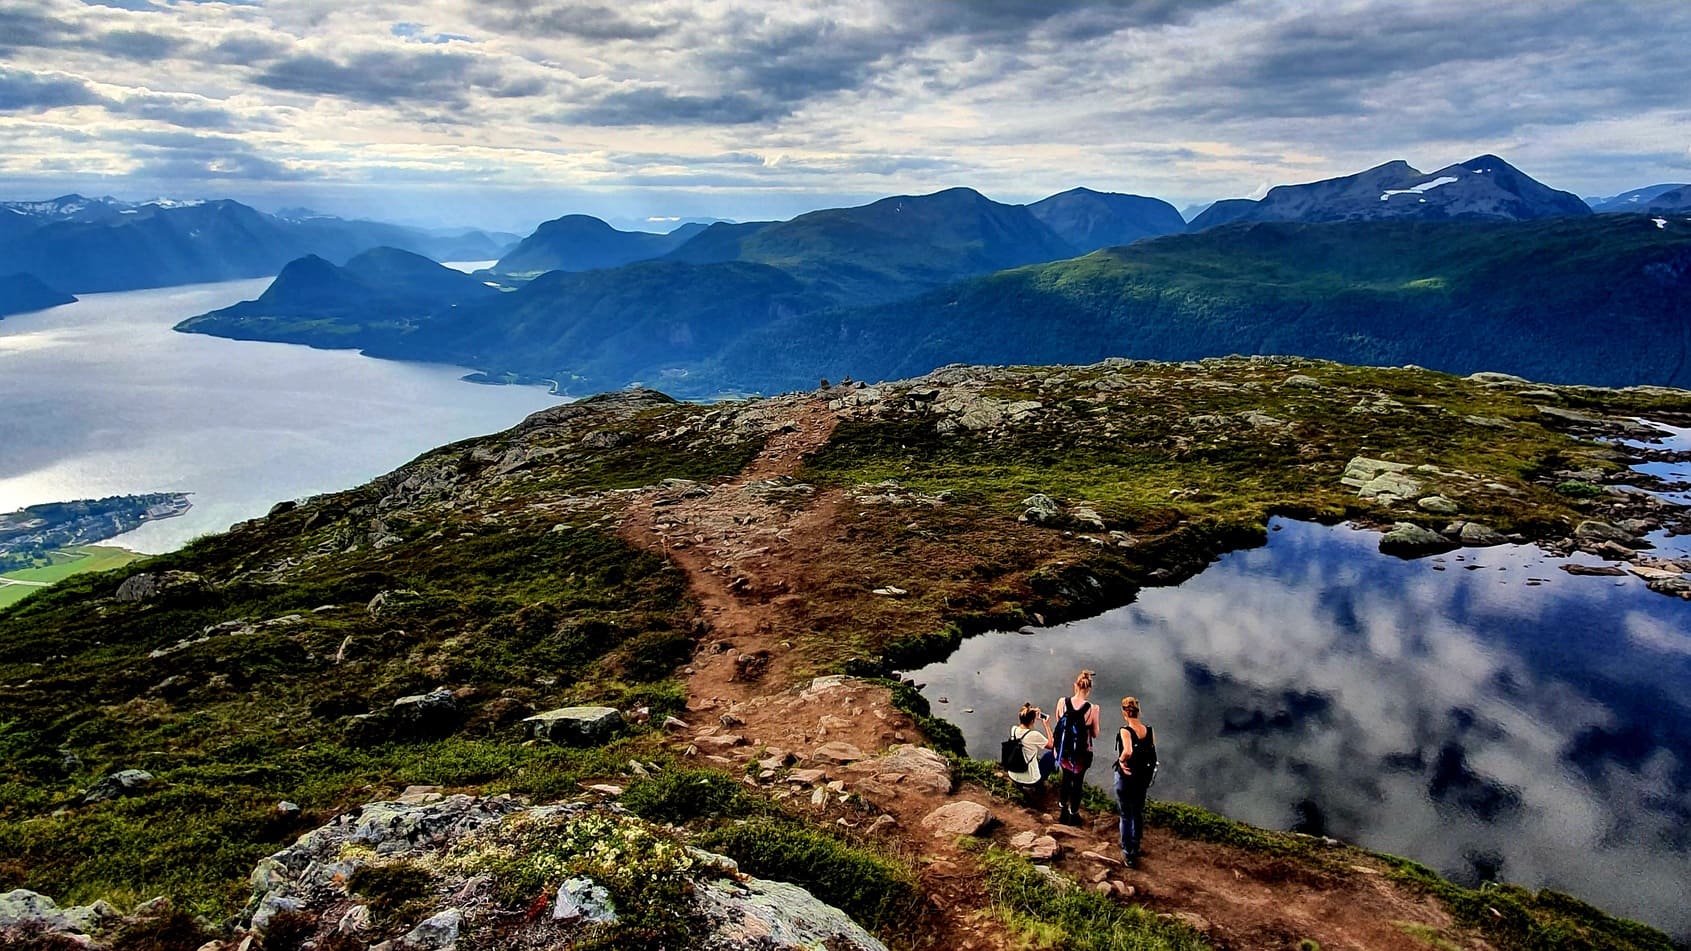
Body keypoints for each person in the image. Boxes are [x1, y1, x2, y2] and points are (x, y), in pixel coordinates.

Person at [1050, 669, 1100, 825]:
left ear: (1075, 686)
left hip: (1063, 751)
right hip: (1081, 754)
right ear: (1089, 690)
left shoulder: (1062, 702)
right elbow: (1095, 733)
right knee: (1078, 783)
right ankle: (1074, 814)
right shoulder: (1093, 709)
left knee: (1065, 779)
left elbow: (1059, 721)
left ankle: (1062, 810)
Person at [1113, 695, 1156, 867]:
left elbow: (1128, 750)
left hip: (1127, 776)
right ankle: (1136, 845)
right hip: (1142, 777)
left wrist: (1122, 761)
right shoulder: (1149, 730)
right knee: (1137, 812)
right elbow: (1151, 750)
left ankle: (1128, 852)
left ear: (1124, 712)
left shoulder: (1125, 731)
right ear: (1139, 711)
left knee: (1125, 815)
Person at [1005, 703, 1056, 803]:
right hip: (1031, 779)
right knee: (1051, 755)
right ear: (1033, 720)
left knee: (1027, 754)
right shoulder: (1034, 735)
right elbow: (1052, 745)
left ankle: (1019, 785)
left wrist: (1032, 714)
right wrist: (1046, 725)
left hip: (1013, 774)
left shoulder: (1013, 729)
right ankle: (1039, 786)